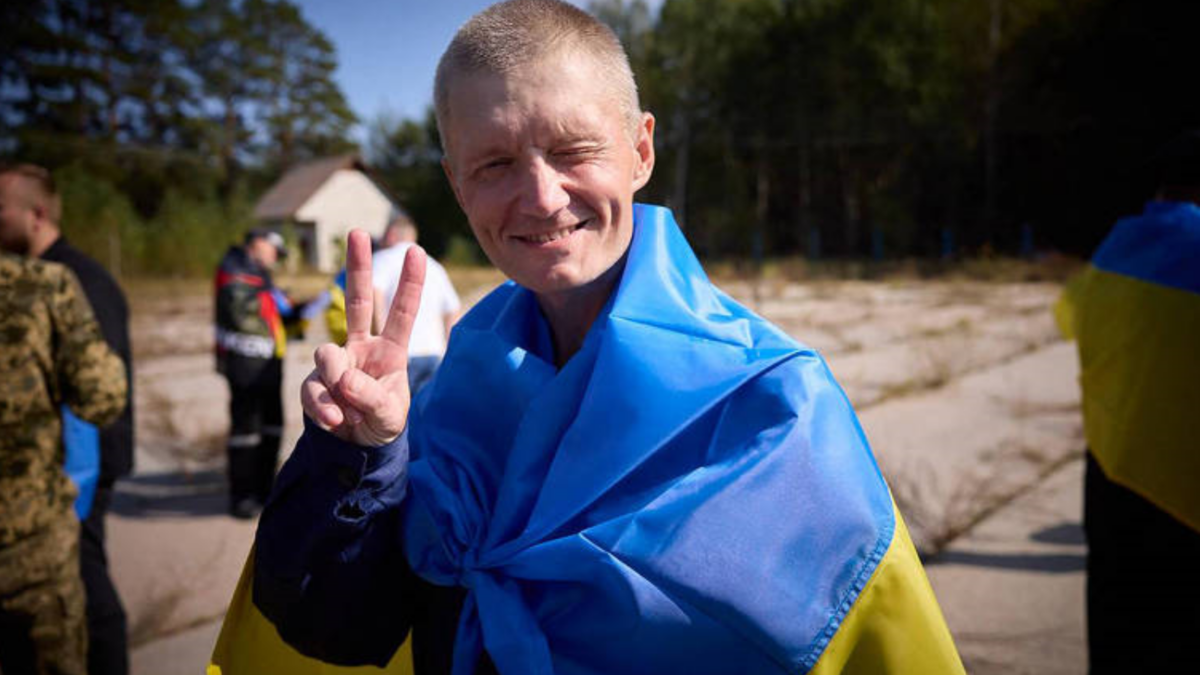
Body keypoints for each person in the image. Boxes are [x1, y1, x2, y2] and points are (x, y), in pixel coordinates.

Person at [211, 2, 964, 673]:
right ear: (456, 184)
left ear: (641, 150)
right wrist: (360, 455)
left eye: (573, 150)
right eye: (496, 162)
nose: (540, 196)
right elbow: (336, 629)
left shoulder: (776, 409)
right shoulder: (441, 401)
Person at [1055, 132, 1200, 674]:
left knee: (1119, 627)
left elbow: (1067, 318)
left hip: (1113, 471)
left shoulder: (1119, 246)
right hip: (1184, 481)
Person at [0, 163, 135, 675]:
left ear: (35, 214)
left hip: (79, 472)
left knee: (92, 597)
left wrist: (77, 481)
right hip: (55, 486)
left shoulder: (72, 280)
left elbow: (100, 397)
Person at [214, 228, 303, 520]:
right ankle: (242, 497)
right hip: (245, 365)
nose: (276, 258)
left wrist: (294, 312)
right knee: (246, 432)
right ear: (258, 243)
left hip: (269, 362)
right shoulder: (234, 268)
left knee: (271, 428)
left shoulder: (260, 275)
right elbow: (243, 312)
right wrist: (275, 303)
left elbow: (270, 312)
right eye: (274, 251)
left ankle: (265, 490)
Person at [370, 216, 461, 395]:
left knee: (395, 418)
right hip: (433, 354)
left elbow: (374, 295)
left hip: (399, 355)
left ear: (392, 234)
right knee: (423, 417)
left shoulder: (381, 259)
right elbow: (453, 309)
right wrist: (449, 353)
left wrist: (380, 339)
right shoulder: (434, 266)